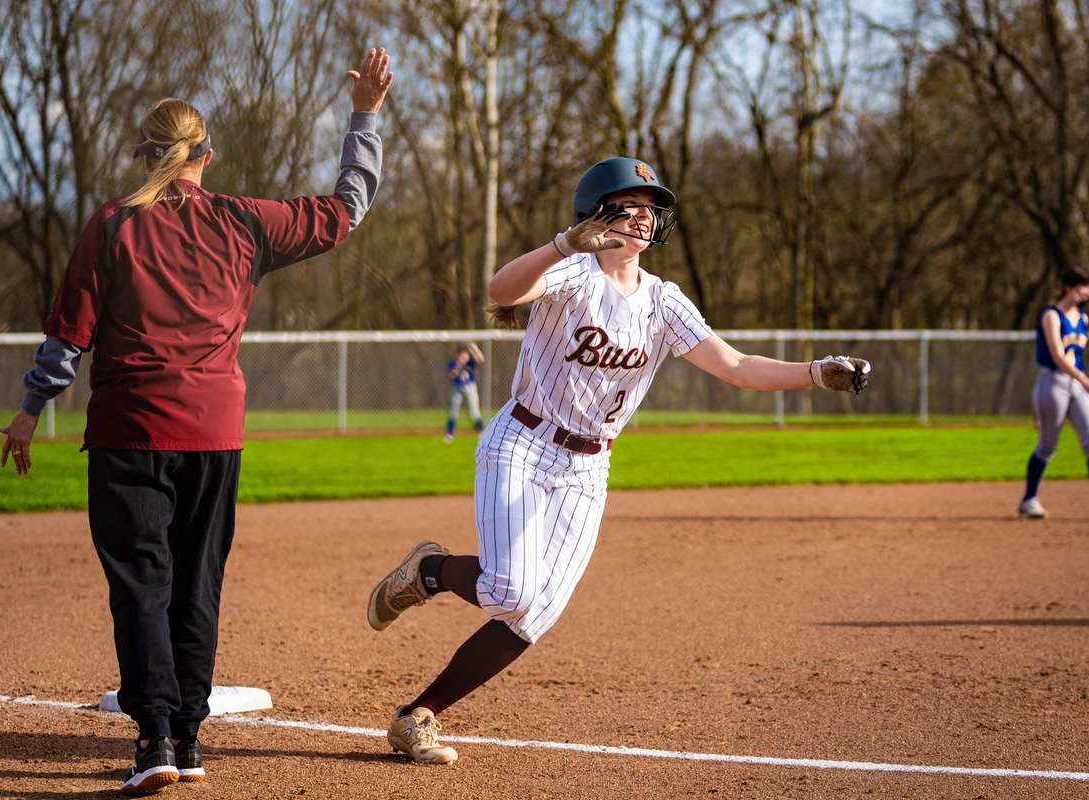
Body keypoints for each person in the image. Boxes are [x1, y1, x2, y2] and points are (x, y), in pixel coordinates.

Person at [366, 156, 872, 764]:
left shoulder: (663, 301)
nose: (642, 216)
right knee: (509, 591)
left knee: (533, 617)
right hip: (523, 444)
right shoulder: (572, 272)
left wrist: (815, 373)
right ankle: (429, 571)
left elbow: (735, 367)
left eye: (650, 207)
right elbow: (500, 292)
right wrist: (561, 245)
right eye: (628, 204)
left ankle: (417, 718)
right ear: (596, 213)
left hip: (589, 468)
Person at [0, 48, 393, 795]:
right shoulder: (245, 222)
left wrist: (28, 412)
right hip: (216, 434)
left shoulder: (111, 226)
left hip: (129, 435)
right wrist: (365, 116)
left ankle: (155, 742)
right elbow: (347, 211)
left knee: (141, 587)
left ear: (143, 154)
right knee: (197, 586)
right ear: (206, 155)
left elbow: (67, 342)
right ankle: (190, 737)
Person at [1018, 268, 1089, 519]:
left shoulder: (1083, 318)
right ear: (1068, 288)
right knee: (1048, 445)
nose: (1087, 291)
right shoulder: (1052, 316)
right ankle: (1029, 499)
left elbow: (1077, 356)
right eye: (1083, 285)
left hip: (1077, 384)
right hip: (1053, 383)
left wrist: (1081, 379)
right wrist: (1083, 378)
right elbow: (1058, 356)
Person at [444, 342, 485, 443]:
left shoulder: (471, 362)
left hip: (470, 387)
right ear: (458, 354)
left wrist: (474, 348)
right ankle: (450, 434)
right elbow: (452, 374)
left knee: (474, 413)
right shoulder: (453, 363)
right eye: (463, 353)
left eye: (466, 353)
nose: (465, 355)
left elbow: (481, 359)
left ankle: (481, 431)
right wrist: (460, 363)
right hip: (457, 388)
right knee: (453, 413)